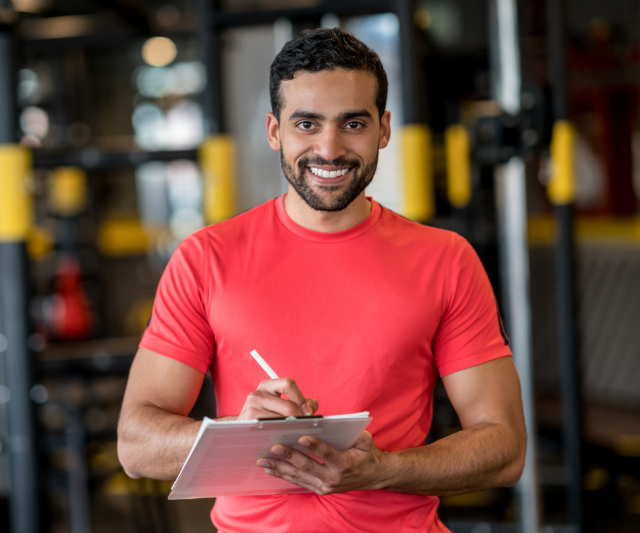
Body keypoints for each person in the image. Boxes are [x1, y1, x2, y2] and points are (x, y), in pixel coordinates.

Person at [117, 28, 526, 533]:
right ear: (274, 131)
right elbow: (136, 446)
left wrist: (385, 472)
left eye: (352, 123)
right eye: (306, 124)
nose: (329, 149)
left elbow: (504, 448)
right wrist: (236, 433)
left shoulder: (445, 259)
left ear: (384, 129)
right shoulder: (206, 258)